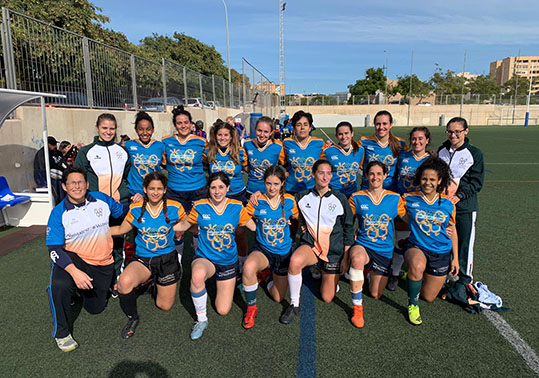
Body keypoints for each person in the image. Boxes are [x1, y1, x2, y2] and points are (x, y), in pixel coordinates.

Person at [45, 167, 126, 352]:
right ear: (64, 186)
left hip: (102, 263)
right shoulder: (58, 213)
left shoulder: (102, 199)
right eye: (72, 182)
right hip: (74, 259)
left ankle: (76, 291)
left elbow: (123, 212)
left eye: (80, 182)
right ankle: (62, 333)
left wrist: (144, 203)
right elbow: (54, 250)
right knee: (59, 285)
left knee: (96, 309)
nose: (77, 186)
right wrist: (75, 272)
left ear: (87, 184)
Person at [174, 172, 255, 340]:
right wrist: (165, 223)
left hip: (227, 262)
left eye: (221, 187)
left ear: (228, 188)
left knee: (223, 310)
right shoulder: (200, 206)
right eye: (213, 187)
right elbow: (184, 224)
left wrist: (280, 221)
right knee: (197, 276)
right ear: (208, 189)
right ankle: (201, 320)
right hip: (206, 258)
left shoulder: (237, 207)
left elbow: (254, 227)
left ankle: (227, 284)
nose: (217, 191)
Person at [110, 172, 186, 339]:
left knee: (164, 306)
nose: (155, 192)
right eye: (151, 188)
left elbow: (188, 224)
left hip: (167, 259)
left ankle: (153, 282)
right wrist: (96, 232)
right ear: (144, 189)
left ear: (165, 190)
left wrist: (182, 231)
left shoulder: (175, 207)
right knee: (124, 282)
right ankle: (133, 317)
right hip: (143, 259)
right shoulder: (136, 208)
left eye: (159, 188)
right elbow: (122, 230)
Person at [280, 159, 354, 324]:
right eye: (321, 172)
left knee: (327, 297)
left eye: (328, 173)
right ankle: (294, 304)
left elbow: (348, 229)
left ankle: (326, 274)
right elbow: (279, 198)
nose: (325, 177)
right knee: (295, 261)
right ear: (313, 174)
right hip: (311, 246)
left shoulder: (340, 199)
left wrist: (345, 257)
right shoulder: (301, 197)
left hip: (333, 252)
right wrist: (257, 194)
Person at [74, 113, 132, 290]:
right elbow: (76, 178)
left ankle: (116, 280)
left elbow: (127, 176)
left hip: (118, 207)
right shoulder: (86, 152)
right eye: (105, 128)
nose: (108, 132)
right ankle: (95, 282)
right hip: (94, 208)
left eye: (112, 128)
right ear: (97, 128)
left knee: (118, 244)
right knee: (94, 245)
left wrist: (125, 194)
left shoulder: (122, 151)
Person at [347, 161, 406, 328]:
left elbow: (410, 219)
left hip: (384, 251)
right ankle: (357, 309)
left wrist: (442, 227)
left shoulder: (395, 198)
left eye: (379, 174)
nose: (375, 177)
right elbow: (345, 223)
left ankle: (366, 272)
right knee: (357, 258)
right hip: (363, 245)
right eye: (371, 174)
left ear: (385, 176)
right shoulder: (357, 197)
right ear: (365, 175)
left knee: (375, 294)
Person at [403, 157, 459, 325]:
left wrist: (455, 257)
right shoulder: (408, 198)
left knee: (428, 297)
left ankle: (414, 277)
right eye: (424, 178)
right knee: (417, 265)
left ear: (439, 181)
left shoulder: (448, 204)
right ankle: (413, 304)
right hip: (416, 246)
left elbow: (453, 230)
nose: (427, 182)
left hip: (441, 252)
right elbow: (393, 209)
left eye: (432, 179)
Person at [242, 166, 298, 329]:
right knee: (248, 267)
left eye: (275, 183)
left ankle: (266, 276)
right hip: (263, 250)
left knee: (277, 298)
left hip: (284, 253)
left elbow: (298, 217)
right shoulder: (257, 201)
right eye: (268, 183)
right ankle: (251, 309)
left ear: (282, 183)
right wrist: (255, 227)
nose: (272, 188)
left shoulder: (289, 200)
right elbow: (244, 217)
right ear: (264, 183)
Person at [438, 117, 484, 285]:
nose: (453, 135)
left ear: (466, 131)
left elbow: (476, 183)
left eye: (457, 131)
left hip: (464, 207)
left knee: (464, 244)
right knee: (443, 239)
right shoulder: (442, 150)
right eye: (450, 131)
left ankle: (464, 280)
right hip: (444, 207)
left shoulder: (475, 153)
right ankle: (442, 275)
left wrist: (459, 196)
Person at [387, 127, 431, 291]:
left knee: (422, 240)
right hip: (403, 204)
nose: (417, 142)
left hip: (422, 206)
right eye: (414, 138)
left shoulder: (431, 160)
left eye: (420, 139)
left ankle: (422, 272)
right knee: (401, 239)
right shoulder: (403, 155)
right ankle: (396, 274)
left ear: (427, 140)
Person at [162, 106, 207, 259]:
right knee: (176, 228)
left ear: (191, 124)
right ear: (175, 125)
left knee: (196, 226)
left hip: (198, 189)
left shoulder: (201, 142)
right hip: (175, 191)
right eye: (179, 123)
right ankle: (176, 262)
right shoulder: (166, 141)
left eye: (186, 122)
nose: (183, 126)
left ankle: (199, 258)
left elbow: (211, 158)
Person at [204, 120, 249, 260]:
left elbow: (249, 169)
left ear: (231, 136)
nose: (222, 138)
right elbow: (204, 169)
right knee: (219, 231)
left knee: (240, 232)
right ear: (215, 135)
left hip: (237, 195)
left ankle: (242, 261)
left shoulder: (240, 152)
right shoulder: (208, 152)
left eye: (226, 135)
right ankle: (220, 258)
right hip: (216, 197)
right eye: (219, 135)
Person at [360, 110, 407, 191]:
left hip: (390, 191)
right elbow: (349, 154)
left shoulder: (400, 144)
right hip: (368, 190)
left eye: (384, 124)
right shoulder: (364, 142)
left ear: (391, 124)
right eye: (378, 124)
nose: (381, 127)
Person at [282, 110, 325, 194]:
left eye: (305, 125)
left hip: (312, 190)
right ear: (293, 128)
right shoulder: (287, 143)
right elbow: (280, 160)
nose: (302, 128)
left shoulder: (319, 143)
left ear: (310, 128)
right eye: (299, 125)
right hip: (291, 190)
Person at [124, 111, 165, 198]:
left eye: (148, 129)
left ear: (153, 130)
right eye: (141, 129)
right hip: (134, 193)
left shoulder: (160, 146)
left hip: (155, 193)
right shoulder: (128, 145)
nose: (145, 133)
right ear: (136, 130)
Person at [243, 116, 286, 197]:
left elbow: (287, 166)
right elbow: (245, 166)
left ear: (271, 132)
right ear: (255, 129)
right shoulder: (247, 144)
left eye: (266, 132)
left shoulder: (278, 146)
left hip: (270, 192)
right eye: (259, 130)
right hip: (251, 191)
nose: (262, 135)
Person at [323, 121, 365, 198]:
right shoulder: (328, 151)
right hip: (334, 194)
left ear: (352, 133)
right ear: (336, 136)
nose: (343, 136)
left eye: (346, 133)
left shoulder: (360, 151)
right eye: (340, 134)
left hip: (352, 194)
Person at [34, 136, 67, 204]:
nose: (55, 146)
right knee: (58, 185)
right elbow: (41, 170)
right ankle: (60, 204)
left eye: (55, 144)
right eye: (53, 145)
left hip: (59, 176)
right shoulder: (42, 154)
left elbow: (63, 163)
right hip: (44, 179)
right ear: (47, 144)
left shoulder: (58, 153)